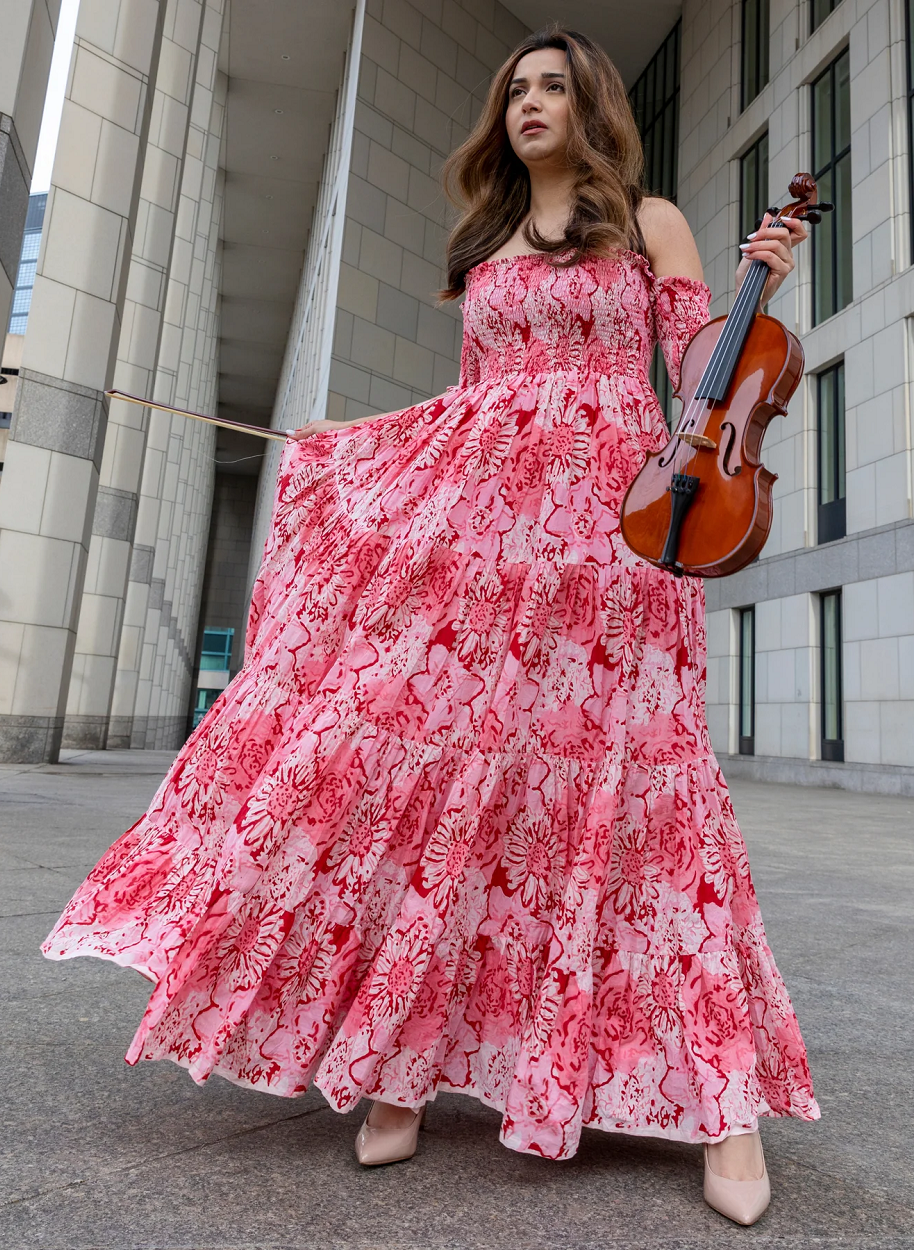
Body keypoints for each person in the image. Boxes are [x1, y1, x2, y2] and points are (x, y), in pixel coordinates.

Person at [43, 26, 818, 1227]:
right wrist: (358, 450)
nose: (530, 104)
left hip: (614, 540)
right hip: (480, 542)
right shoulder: (487, 244)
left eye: (554, 86)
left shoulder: (649, 223)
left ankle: (723, 1104)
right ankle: (399, 1061)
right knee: (438, 787)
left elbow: (699, 369)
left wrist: (761, 277)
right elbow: (474, 400)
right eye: (516, 90)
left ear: (592, 105)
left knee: (644, 792)